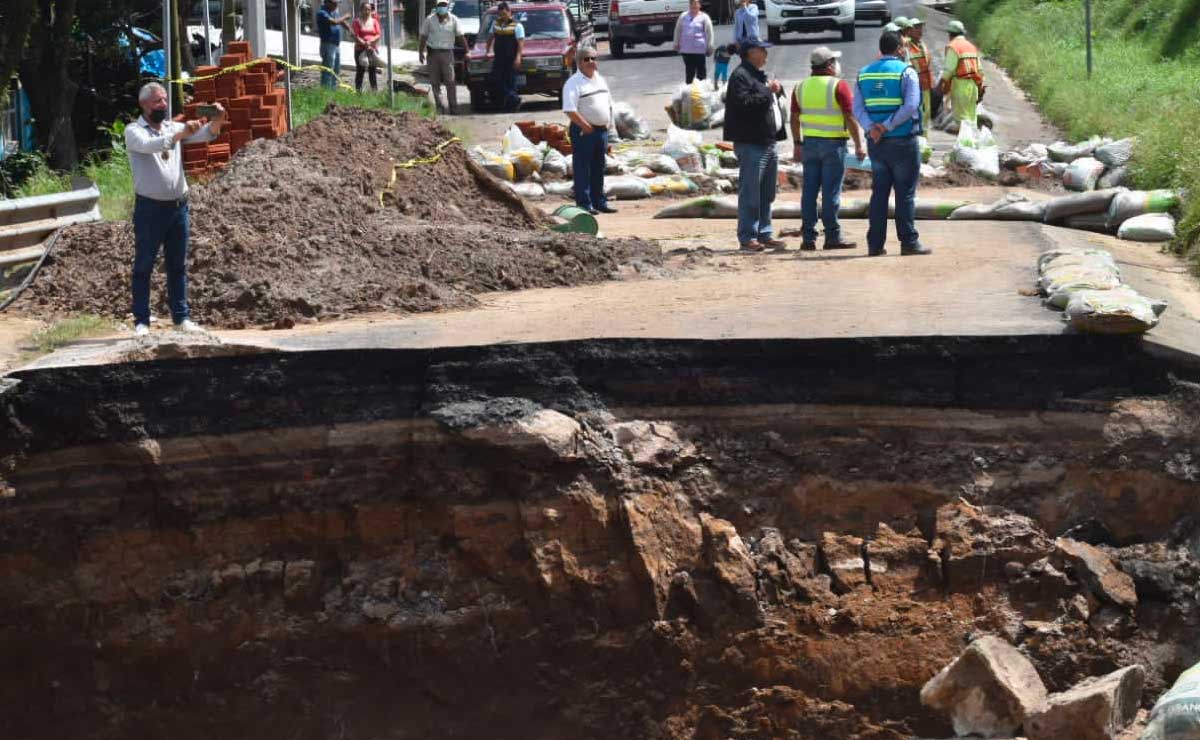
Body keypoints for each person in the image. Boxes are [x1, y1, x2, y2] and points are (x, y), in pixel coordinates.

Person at [124, 83, 225, 336]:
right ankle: (142, 321)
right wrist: (181, 134)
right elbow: (153, 145)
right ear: (144, 104)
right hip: (150, 209)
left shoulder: (172, 126)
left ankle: (181, 318)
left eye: (165, 100)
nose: (164, 105)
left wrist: (217, 120)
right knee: (144, 265)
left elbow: (206, 134)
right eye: (158, 101)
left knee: (177, 265)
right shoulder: (134, 131)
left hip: (178, 207)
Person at [853, 31, 930, 256]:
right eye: (903, 47)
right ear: (898, 49)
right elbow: (911, 106)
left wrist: (872, 128)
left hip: (876, 144)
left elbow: (857, 108)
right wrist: (886, 126)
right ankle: (908, 242)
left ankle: (875, 245)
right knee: (904, 194)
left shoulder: (864, 74)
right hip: (903, 141)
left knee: (879, 193)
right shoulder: (907, 73)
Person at [790, 46, 865, 251]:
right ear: (830, 65)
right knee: (831, 193)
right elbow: (850, 117)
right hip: (833, 145)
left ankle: (808, 238)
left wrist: (797, 144)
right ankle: (832, 236)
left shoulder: (800, 87)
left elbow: (794, 118)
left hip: (810, 145)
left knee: (809, 192)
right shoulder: (838, 86)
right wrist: (859, 145)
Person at [723, 38, 787, 252]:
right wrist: (768, 92)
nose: (766, 55)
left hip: (768, 141)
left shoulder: (758, 75)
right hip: (751, 143)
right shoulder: (740, 76)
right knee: (751, 191)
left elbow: (766, 98)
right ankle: (748, 236)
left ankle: (765, 233)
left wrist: (775, 90)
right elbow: (744, 105)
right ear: (751, 52)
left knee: (767, 192)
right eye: (762, 50)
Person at [562, 45, 616, 216]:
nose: (591, 62)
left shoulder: (600, 79)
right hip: (584, 131)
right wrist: (586, 126)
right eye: (586, 59)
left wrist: (608, 125)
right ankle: (584, 204)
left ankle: (599, 201)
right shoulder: (573, 83)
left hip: (601, 131)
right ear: (578, 63)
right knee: (583, 168)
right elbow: (569, 109)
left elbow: (608, 103)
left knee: (599, 167)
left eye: (593, 58)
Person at [420, 0, 470, 114]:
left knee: (450, 81)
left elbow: (461, 37)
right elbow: (423, 37)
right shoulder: (429, 20)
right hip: (432, 54)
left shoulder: (454, 20)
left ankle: (453, 108)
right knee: (434, 82)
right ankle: (439, 106)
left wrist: (467, 51)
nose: (442, 7)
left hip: (447, 54)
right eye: (440, 5)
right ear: (436, 6)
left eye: (444, 5)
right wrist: (420, 52)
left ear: (447, 6)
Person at [941, 20, 985, 128]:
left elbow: (949, 70)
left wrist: (939, 86)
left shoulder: (953, 46)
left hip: (961, 86)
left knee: (961, 120)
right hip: (973, 86)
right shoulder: (971, 46)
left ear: (950, 34)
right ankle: (971, 142)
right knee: (970, 118)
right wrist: (980, 90)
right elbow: (980, 71)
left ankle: (964, 142)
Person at [486, 1, 525, 112]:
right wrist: (487, 51)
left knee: (510, 82)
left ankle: (513, 104)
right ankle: (508, 101)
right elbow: (490, 38)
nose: (502, 16)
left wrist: (518, 58)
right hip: (499, 58)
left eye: (504, 13)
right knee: (497, 81)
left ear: (509, 12)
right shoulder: (496, 24)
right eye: (500, 14)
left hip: (511, 58)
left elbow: (521, 43)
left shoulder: (517, 26)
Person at [673, 0, 714, 84]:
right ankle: (689, 91)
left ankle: (701, 91)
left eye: (696, 3)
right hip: (686, 49)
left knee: (701, 72)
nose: (694, 5)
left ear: (699, 5)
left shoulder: (704, 17)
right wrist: (676, 43)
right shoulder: (683, 16)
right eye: (692, 3)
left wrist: (710, 46)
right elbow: (678, 30)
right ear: (689, 5)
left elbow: (710, 32)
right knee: (689, 72)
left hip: (699, 49)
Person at [904, 17, 933, 133]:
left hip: (925, 84)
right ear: (909, 30)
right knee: (916, 112)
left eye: (921, 27)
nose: (920, 30)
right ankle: (918, 137)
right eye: (917, 28)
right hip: (914, 85)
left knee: (926, 113)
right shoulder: (906, 45)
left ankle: (925, 139)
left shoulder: (922, 45)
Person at [317, 0, 352, 89]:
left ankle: (332, 89)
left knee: (336, 69)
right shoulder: (322, 13)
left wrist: (350, 29)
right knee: (328, 68)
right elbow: (335, 22)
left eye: (337, 3)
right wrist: (346, 16)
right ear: (327, 2)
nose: (336, 5)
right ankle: (325, 89)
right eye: (334, 3)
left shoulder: (334, 11)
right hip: (327, 44)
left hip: (336, 44)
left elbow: (340, 21)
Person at [352, 1, 383, 93]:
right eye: (365, 9)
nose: (367, 11)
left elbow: (378, 34)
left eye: (369, 9)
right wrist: (365, 44)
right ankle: (358, 92)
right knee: (360, 71)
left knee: (372, 71)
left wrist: (370, 42)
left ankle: (374, 92)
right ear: (361, 10)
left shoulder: (374, 21)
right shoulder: (356, 22)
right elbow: (355, 36)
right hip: (360, 50)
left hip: (371, 50)